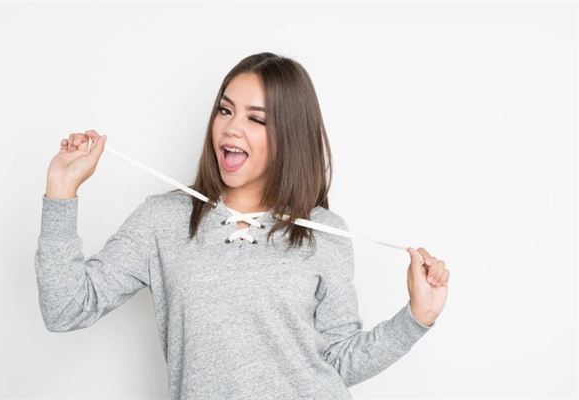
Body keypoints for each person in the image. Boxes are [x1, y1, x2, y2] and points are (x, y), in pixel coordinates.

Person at [35, 52, 450, 400]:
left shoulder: (324, 233)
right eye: (225, 110)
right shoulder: (163, 220)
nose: (231, 128)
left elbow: (339, 361)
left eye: (257, 119)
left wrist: (417, 316)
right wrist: (61, 191)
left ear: (289, 136)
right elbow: (65, 309)